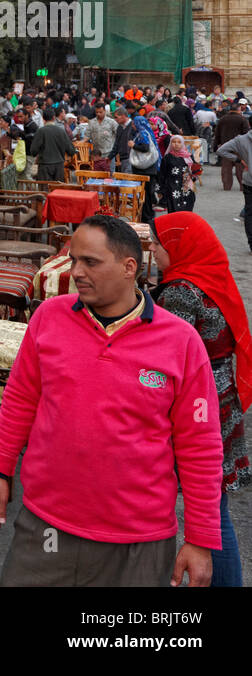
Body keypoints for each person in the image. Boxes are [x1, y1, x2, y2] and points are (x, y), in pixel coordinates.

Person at [0, 215, 222, 586]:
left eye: (90, 262)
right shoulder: (49, 319)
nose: (76, 271)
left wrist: (200, 538)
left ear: (129, 268)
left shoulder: (181, 343)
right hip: (46, 526)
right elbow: (20, 399)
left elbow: (200, 446)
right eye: (74, 259)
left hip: (139, 539)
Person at [150, 212, 252, 587]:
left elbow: (163, 357)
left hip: (198, 403)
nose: (154, 252)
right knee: (215, 504)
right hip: (222, 392)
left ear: (178, 247)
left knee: (208, 511)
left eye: (159, 245)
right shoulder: (212, 275)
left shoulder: (180, 291)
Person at [216, 127, 252, 252]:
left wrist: (239, 160)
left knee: (249, 212)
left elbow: (221, 150)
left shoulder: (241, 140)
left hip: (249, 180)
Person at [30, 108, 74, 182]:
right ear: (54, 117)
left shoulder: (41, 131)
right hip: (59, 166)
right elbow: (71, 150)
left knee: (44, 191)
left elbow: (33, 151)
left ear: (43, 118)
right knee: (57, 190)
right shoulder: (61, 131)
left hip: (44, 166)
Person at [215, 105, 250, 190]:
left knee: (226, 168)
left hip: (225, 146)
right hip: (239, 147)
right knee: (240, 168)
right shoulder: (242, 119)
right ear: (238, 110)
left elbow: (217, 133)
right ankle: (243, 186)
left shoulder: (222, 119)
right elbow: (246, 133)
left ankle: (227, 186)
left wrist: (216, 145)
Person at [158, 137, 197, 214]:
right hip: (172, 188)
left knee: (187, 210)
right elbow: (162, 175)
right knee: (174, 211)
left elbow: (195, 171)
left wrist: (192, 178)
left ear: (182, 144)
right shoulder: (167, 158)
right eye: (174, 142)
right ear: (170, 144)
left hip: (186, 188)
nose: (176, 144)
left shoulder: (188, 157)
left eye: (179, 142)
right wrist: (161, 191)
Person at [87, 104, 118, 172]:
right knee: (98, 174)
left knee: (110, 172)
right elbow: (87, 136)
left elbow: (118, 134)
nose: (98, 114)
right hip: (97, 155)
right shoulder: (91, 122)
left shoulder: (111, 122)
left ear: (105, 111)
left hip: (108, 152)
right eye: (97, 112)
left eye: (100, 112)